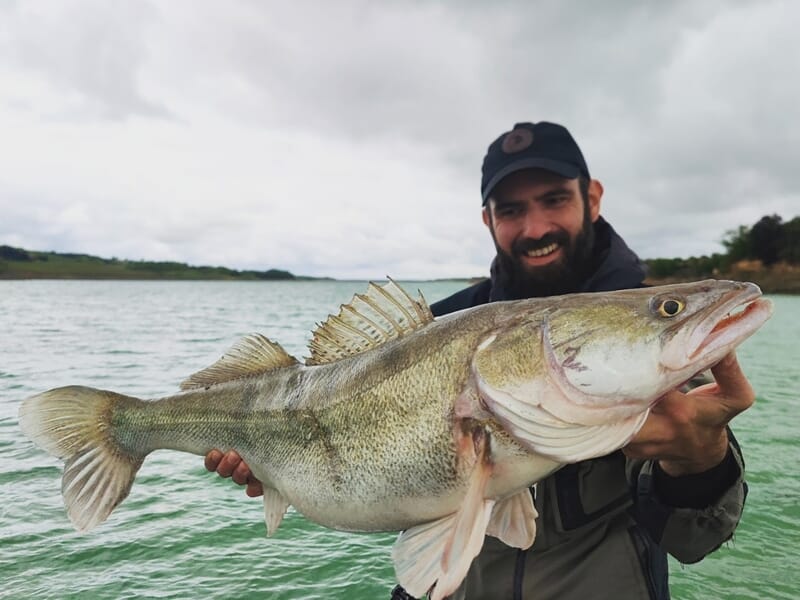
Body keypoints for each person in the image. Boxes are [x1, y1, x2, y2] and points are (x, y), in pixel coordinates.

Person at [205, 121, 755, 600]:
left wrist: (701, 462)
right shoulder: (434, 327)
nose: (535, 228)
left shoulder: (654, 352)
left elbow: (694, 541)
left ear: (592, 197)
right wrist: (271, 459)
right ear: (487, 219)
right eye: (511, 209)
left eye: (554, 199)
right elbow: (347, 459)